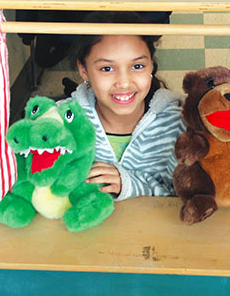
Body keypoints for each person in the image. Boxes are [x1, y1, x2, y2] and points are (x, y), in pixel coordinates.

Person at [69, 12, 184, 200]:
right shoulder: (62, 121)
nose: (123, 83)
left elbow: (184, 195)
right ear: (84, 70)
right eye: (107, 68)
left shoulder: (177, 123)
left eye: (137, 66)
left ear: (151, 67)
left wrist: (129, 184)